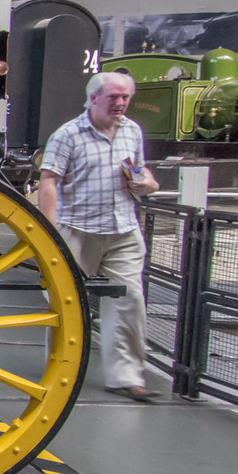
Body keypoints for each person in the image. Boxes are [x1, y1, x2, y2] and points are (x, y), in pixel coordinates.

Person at [38, 70, 163, 401]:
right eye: (114, 97)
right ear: (93, 98)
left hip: (122, 229)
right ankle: (60, 366)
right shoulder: (68, 135)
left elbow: (138, 169)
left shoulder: (131, 131)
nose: (120, 103)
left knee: (129, 300)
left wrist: (148, 182)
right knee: (65, 303)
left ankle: (126, 376)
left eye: (125, 97)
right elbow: (49, 180)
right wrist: (47, 233)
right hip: (77, 230)